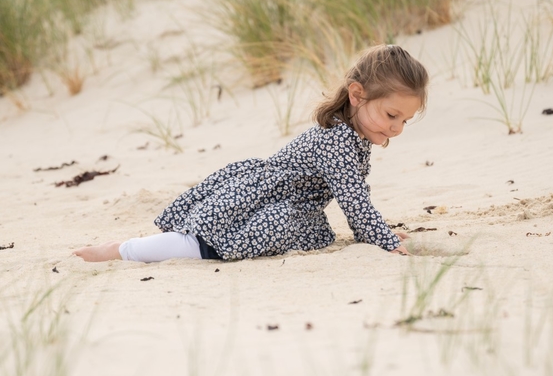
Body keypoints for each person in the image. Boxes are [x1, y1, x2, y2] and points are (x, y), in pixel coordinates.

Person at [74, 44, 428, 263]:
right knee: (204, 246)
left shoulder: (352, 134)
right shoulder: (338, 140)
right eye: (391, 115)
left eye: (405, 121)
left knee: (215, 239)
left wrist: (374, 232)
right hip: (263, 200)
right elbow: (354, 200)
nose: (396, 128)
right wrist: (381, 239)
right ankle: (123, 250)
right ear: (357, 95)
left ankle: (127, 248)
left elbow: (355, 195)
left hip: (283, 202)